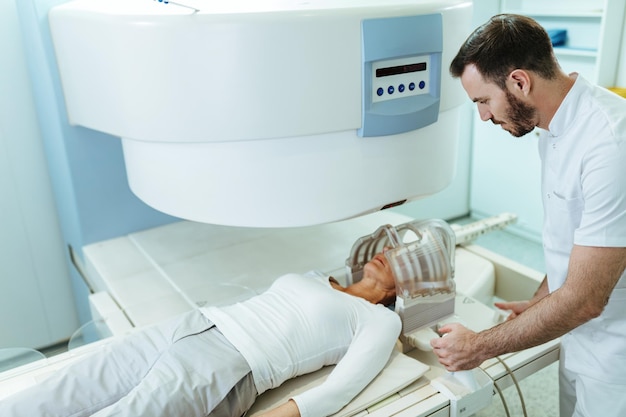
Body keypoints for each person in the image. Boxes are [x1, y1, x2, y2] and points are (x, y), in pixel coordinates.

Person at [430, 13, 626, 417]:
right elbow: (572, 237)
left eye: (483, 101)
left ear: (519, 82)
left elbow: (587, 299)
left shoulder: (609, 146)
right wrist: (540, 300)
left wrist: (479, 346)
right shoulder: (553, 128)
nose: (483, 116)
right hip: (580, 337)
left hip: (615, 354)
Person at [0, 251, 401, 417]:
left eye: (402, 255)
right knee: (63, 389)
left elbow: (343, 387)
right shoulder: (323, 277)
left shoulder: (380, 321)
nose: (387, 250)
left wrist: (282, 414)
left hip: (229, 365)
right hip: (191, 326)